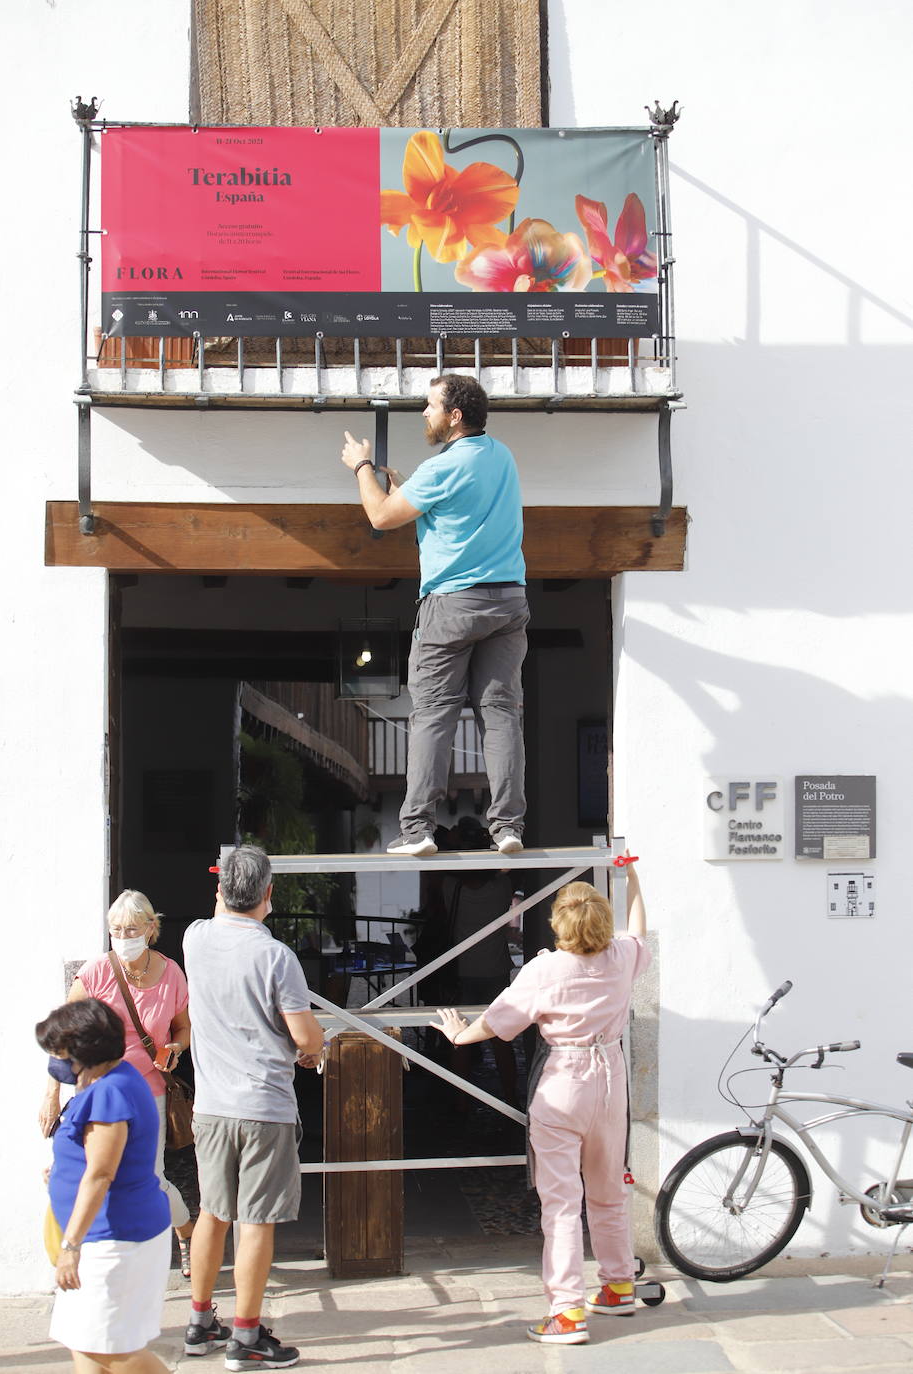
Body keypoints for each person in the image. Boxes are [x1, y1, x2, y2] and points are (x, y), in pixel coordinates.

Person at [436, 857, 650, 1345]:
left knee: (560, 1203)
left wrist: (458, 1035)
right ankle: (618, 1285)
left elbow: (497, 1020)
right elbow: (642, 933)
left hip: (563, 1081)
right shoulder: (619, 957)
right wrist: (634, 879)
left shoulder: (545, 968)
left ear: (559, 925)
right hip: (610, 1078)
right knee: (608, 1189)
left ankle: (568, 1312)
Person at [340, 373, 529, 858]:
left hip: (452, 604)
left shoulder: (440, 468)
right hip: (508, 600)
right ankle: (508, 826)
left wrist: (361, 465)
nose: (425, 413)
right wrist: (412, 490)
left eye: (430, 405)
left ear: (455, 415)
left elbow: (381, 515)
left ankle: (418, 828)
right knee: (501, 712)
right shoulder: (502, 455)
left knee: (434, 713)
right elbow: (458, 513)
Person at [182, 844, 323, 1371]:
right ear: (269, 895)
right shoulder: (276, 957)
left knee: (212, 1212)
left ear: (219, 891)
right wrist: (314, 1051)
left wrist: (227, 890)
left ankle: (199, 1323)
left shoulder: (195, 939)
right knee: (257, 1220)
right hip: (264, 1105)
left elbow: (221, 913)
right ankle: (244, 1336)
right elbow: (305, 1036)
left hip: (212, 1105)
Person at [39, 890, 195, 1277]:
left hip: (148, 1093)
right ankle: (95, 1251)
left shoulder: (171, 973)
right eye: (116, 929)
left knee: (152, 1177)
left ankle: (185, 1232)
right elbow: (63, 1035)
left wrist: (176, 1046)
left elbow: (184, 1026)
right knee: (94, 1172)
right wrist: (51, 1095)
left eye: (131, 928)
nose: (123, 936)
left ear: (151, 928)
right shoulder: (95, 973)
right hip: (98, 1095)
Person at [37, 997, 172, 1374]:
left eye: (61, 1052)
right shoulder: (108, 1081)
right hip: (106, 1237)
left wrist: (71, 1246)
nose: (57, 1061)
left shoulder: (109, 1093)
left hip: (113, 1240)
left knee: (111, 1351)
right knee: (85, 1346)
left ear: (84, 1051)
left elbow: (100, 1174)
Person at [442, 815, 517, 1107]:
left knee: (458, 1039)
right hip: (496, 970)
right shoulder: (502, 886)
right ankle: (512, 1099)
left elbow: (441, 864)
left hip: (462, 970)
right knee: (502, 1041)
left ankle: (460, 1100)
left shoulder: (451, 886)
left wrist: (452, 843)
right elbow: (511, 864)